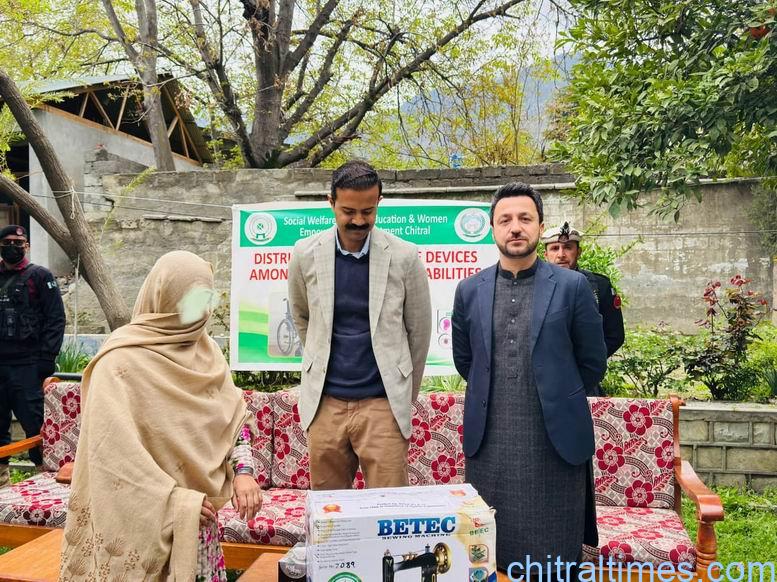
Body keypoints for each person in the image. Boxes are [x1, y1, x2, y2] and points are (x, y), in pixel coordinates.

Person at [59, 251, 262, 581]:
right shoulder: (120, 363)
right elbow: (112, 458)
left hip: (200, 532)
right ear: (163, 296)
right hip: (141, 528)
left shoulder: (208, 354)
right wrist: (177, 502)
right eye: (194, 299)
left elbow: (234, 423)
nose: (204, 311)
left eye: (207, 298)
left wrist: (245, 473)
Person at [451, 183, 607, 577]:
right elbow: (465, 360)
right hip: (491, 445)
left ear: (540, 226)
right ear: (492, 229)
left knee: (554, 556)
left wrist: (556, 395)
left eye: (525, 219)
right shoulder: (470, 290)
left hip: (553, 444)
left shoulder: (571, 287)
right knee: (488, 553)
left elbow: (593, 362)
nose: (515, 227)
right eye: (505, 220)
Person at [288, 159, 432, 490]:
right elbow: (302, 317)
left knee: (389, 516)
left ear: (378, 203)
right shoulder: (305, 254)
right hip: (326, 405)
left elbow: (419, 332)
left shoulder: (404, 257)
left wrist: (402, 396)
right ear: (331, 203)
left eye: (367, 211)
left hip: (383, 405)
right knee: (329, 515)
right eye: (349, 211)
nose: (358, 220)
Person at [0, 225, 65, 488]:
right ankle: (3, 488)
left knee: (37, 428)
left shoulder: (39, 276)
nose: (13, 246)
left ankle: (44, 483)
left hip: (27, 367)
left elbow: (55, 319)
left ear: (26, 245)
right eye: (7, 242)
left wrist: (45, 361)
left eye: (19, 241)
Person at [542, 221, 625, 359]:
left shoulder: (599, 285)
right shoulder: (536, 286)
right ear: (546, 255)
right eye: (555, 248)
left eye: (568, 247)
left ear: (578, 252)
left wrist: (588, 363)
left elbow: (614, 336)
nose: (561, 254)